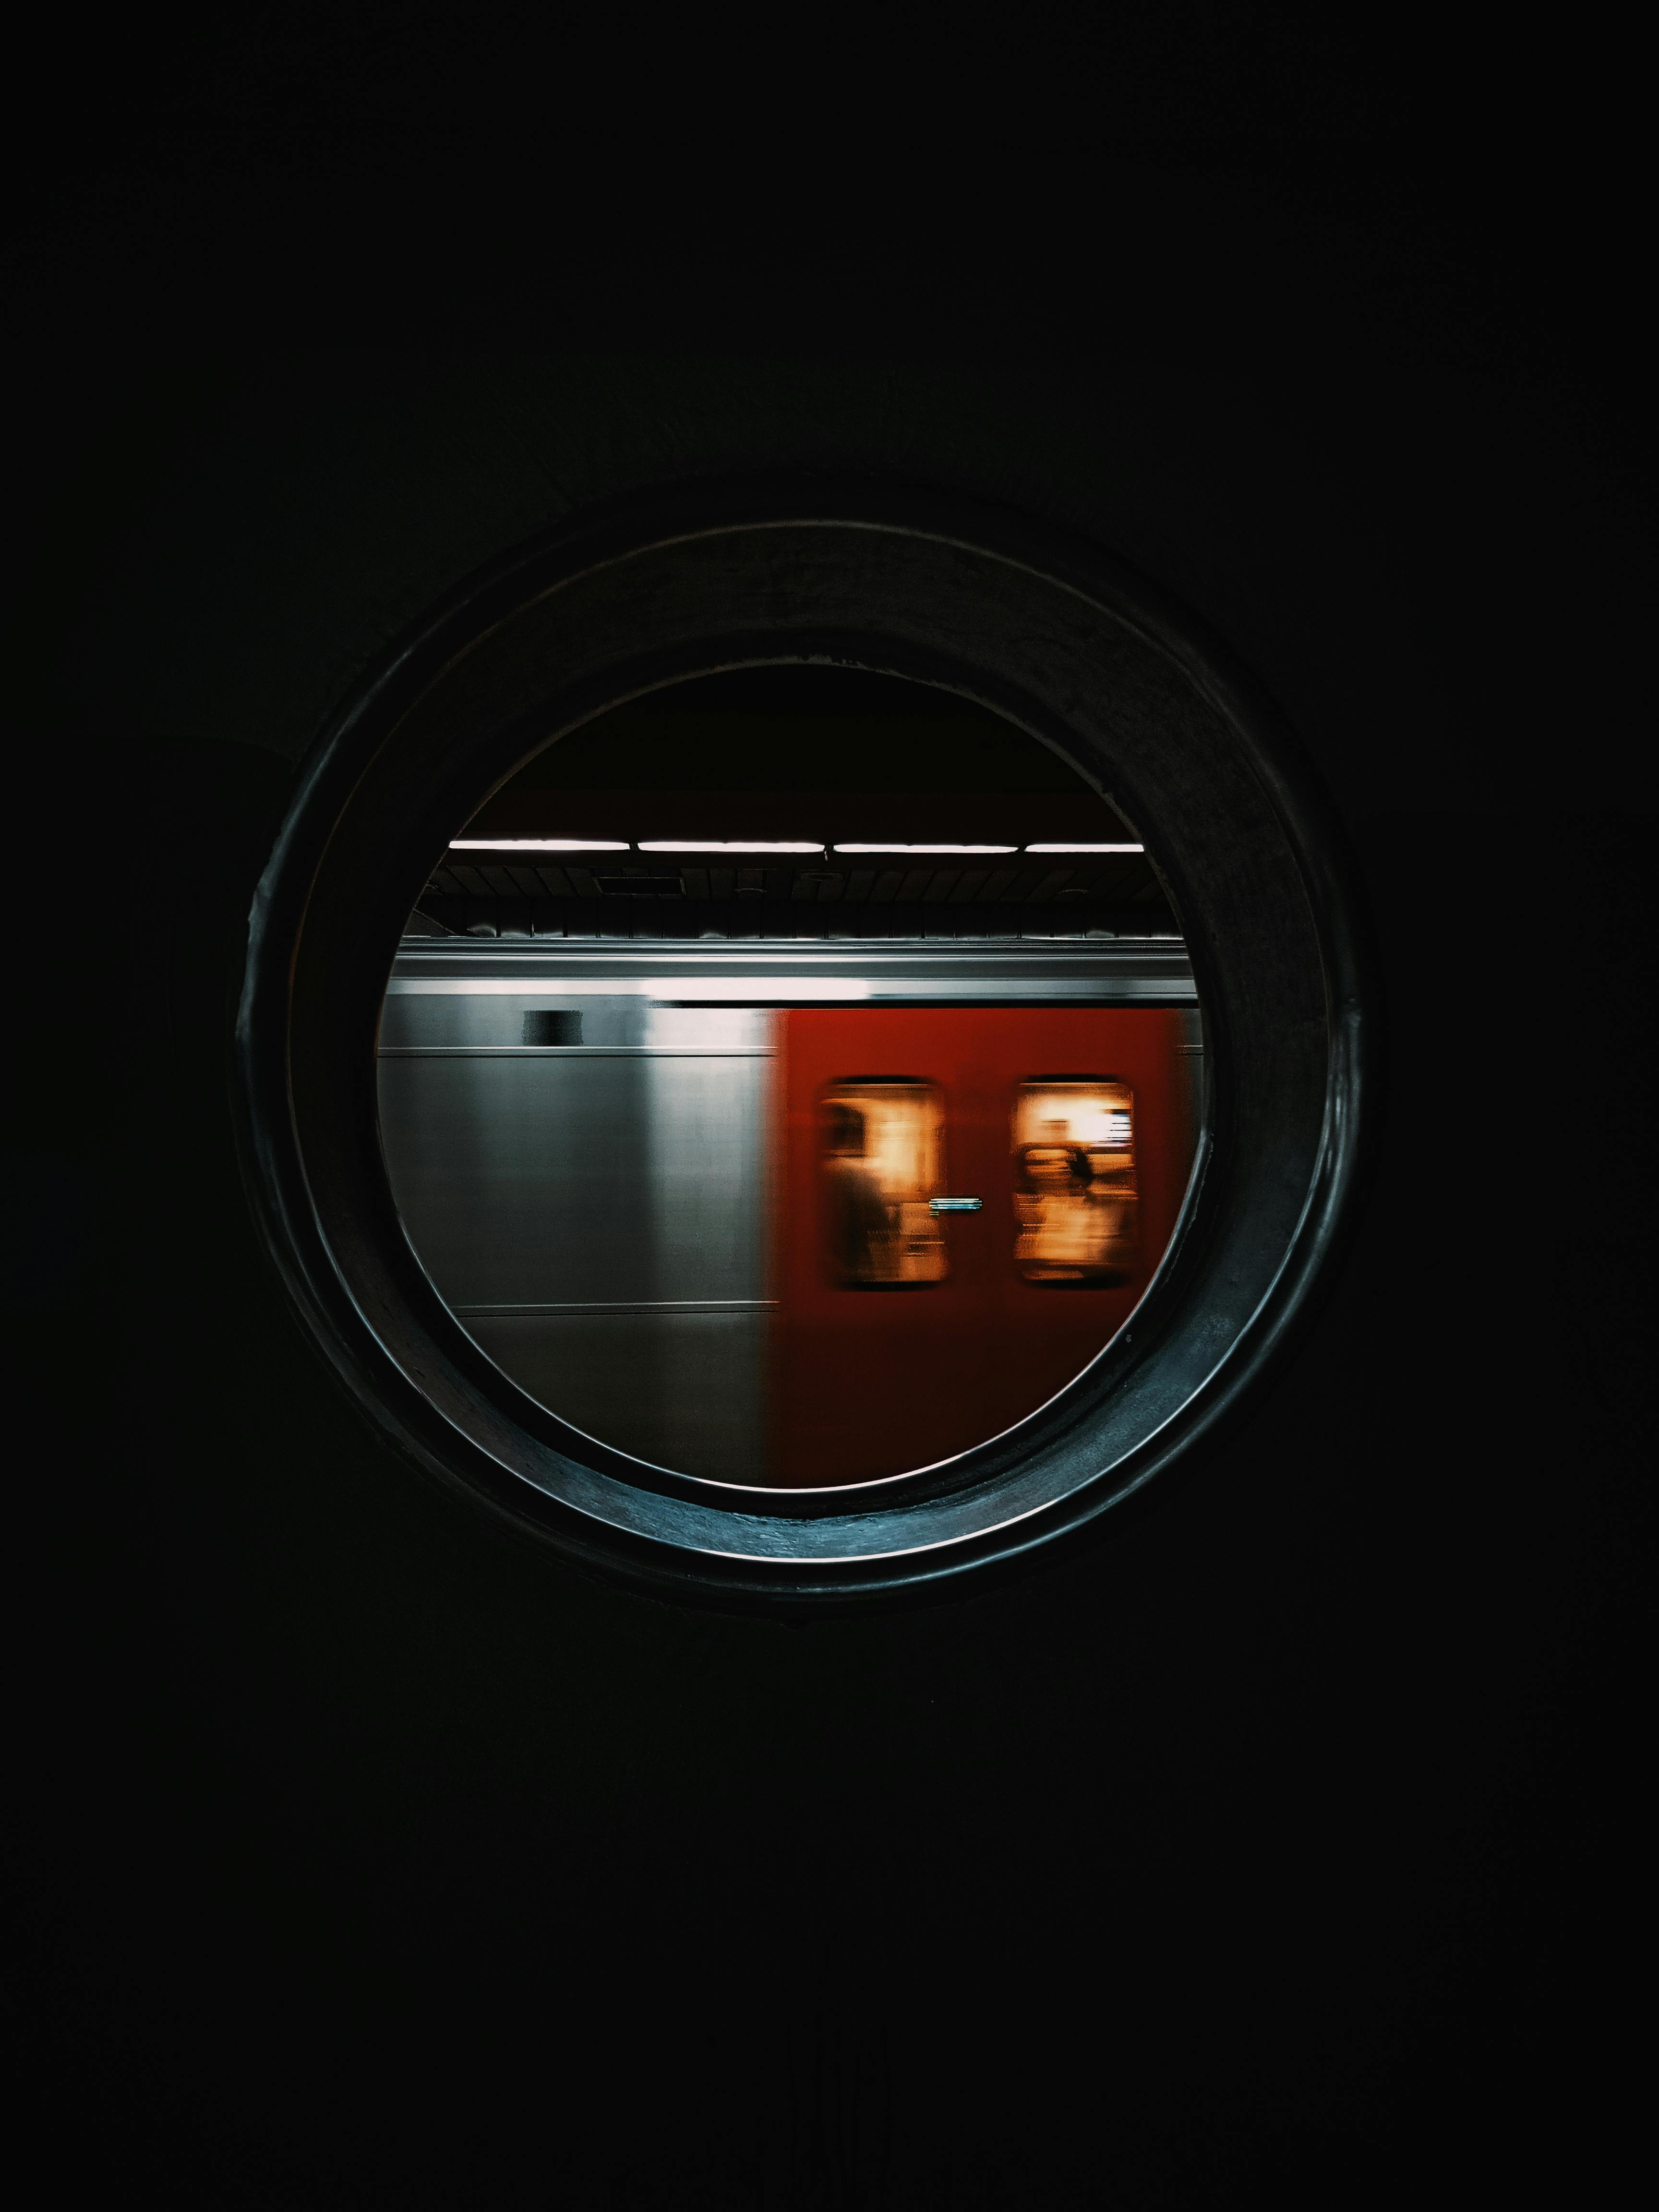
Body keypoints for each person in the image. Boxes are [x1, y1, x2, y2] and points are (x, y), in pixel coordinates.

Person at [821, 1102, 896, 1283]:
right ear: (846, 1135)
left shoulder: (798, 1174)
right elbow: (883, 1226)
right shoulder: (857, 1175)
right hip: (854, 1277)